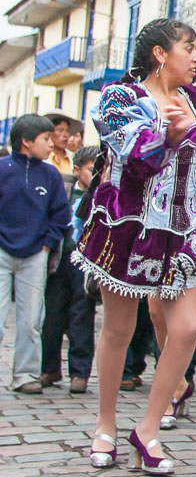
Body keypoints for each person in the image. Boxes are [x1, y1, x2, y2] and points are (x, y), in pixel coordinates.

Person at [72, 18, 196, 476]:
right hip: (129, 226)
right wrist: (166, 136)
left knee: (187, 328)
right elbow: (132, 159)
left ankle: (148, 429)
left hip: (186, 233)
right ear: (160, 53)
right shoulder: (122, 99)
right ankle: (105, 425)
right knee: (118, 328)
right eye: (188, 48)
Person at [0, 114, 70, 394]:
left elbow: (60, 216)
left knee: (31, 320)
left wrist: (46, 243)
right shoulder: (2, 170)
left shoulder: (50, 174)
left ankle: (26, 374)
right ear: (26, 142)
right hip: (2, 252)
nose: (51, 144)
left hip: (35, 255)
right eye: (45, 139)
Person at [40, 145, 99, 394]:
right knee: (52, 316)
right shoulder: (63, 192)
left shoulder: (102, 197)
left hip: (85, 265)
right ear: (77, 170)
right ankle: (49, 367)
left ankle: (80, 372)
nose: (95, 175)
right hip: (60, 261)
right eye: (90, 170)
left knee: (81, 317)